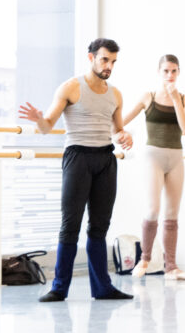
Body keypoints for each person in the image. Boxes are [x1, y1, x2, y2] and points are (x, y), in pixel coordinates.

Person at [19, 38, 135, 302]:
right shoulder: (71, 87)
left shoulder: (115, 94)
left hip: (105, 158)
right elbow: (47, 126)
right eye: (105, 59)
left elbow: (117, 130)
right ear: (91, 57)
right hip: (78, 157)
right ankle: (60, 288)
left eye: (113, 61)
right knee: (70, 226)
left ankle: (102, 288)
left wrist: (125, 136)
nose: (109, 66)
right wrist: (39, 119)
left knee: (99, 228)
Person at [122, 54, 185, 280]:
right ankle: (144, 259)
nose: (170, 75)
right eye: (166, 71)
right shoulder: (149, 97)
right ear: (159, 72)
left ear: (179, 72)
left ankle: (171, 267)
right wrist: (120, 133)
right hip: (153, 156)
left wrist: (175, 99)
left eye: (174, 71)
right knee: (153, 209)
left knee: (172, 213)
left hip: (175, 157)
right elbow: (121, 121)